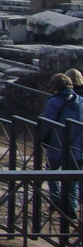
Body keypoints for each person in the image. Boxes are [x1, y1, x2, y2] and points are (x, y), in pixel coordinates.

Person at [41, 73, 82, 219]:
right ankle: (72, 208)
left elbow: (47, 123)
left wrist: (43, 138)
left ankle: (56, 199)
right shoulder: (81, 101)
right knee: (73, 179)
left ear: (55, 87)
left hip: (57, 145)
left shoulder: (53, 102)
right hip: (77, 147)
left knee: (51, 172)